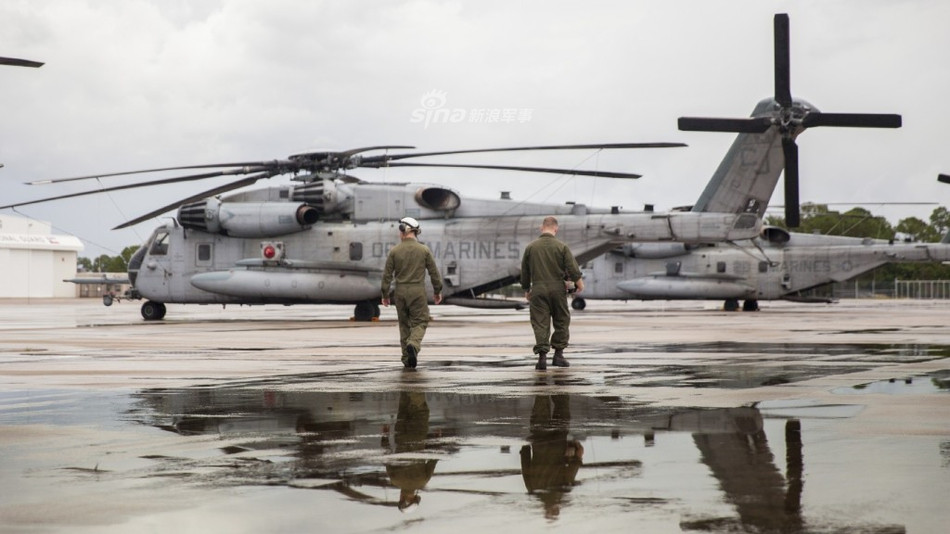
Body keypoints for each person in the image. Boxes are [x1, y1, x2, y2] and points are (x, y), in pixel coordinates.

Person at [520, 216, 584, 370]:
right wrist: (579, 283)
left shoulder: (531, 247)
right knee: (561, 320)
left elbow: (525, 271)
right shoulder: (562, 247)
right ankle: (558, 355)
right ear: (556, 229)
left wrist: (526, 289)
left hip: (538, 289)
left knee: (540, 322)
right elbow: (572, 268)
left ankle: (542, 358)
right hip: (558, 289)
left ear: (542, 228)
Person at [381, 217, 443, 369]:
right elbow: (434, 273)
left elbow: (387, 276)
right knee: (421, 321)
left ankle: (406, 359)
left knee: (404, 326)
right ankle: (413, 345)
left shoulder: (394, 251)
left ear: (404, 230)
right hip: (417, 291)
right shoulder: (424, 250)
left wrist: (385, 295)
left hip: (400, 292)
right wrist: (437, 291)